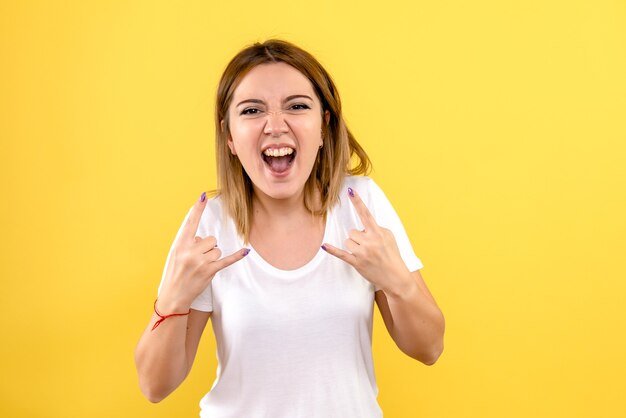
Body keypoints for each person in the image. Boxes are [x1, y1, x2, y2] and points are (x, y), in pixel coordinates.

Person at [134, 39, 445, 417]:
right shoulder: (210, 223)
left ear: (323, 125)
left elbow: (429, 348)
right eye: (252, 110)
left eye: (297, 106)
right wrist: (173, 299)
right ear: (230, 137)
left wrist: (396, 280)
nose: (275, 126)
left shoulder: (359, 205)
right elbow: (155, 386)